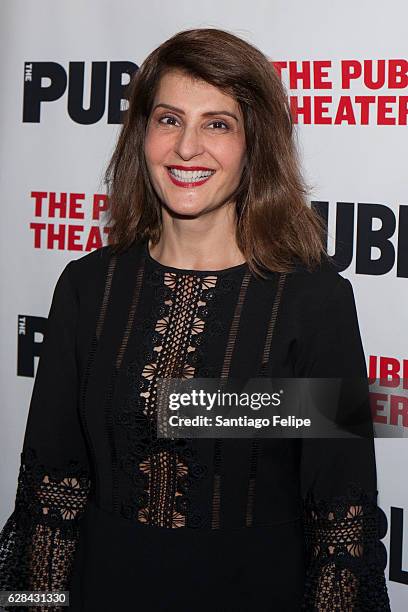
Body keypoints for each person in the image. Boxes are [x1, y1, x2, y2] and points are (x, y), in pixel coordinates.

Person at [0, 28, 390, 611]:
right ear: (141, 135)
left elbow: (342, 522)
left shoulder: (316, 302)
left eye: (217, 123)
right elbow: (50, 496)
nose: (187, 148)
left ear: (254, 143)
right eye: (168, 119)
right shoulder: (87, 288)